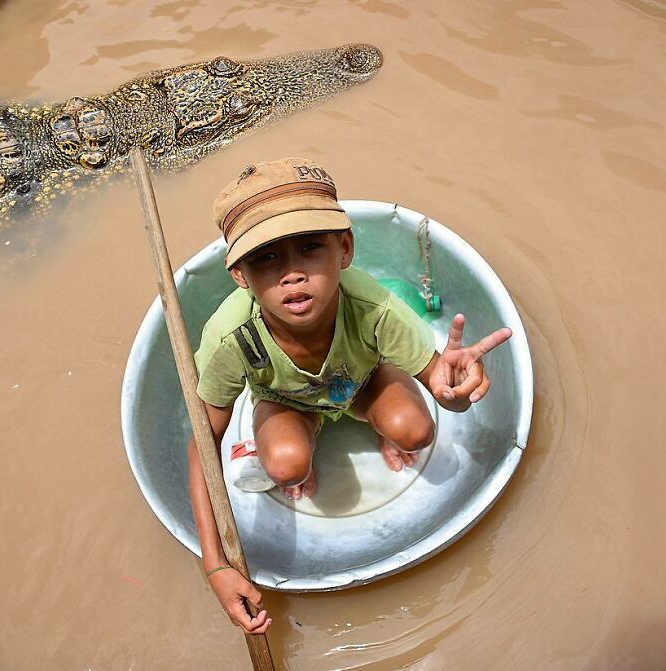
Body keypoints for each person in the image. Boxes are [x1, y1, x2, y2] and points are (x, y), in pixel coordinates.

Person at [187, 157, 512, 635]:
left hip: (361, 383)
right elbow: (203, 442)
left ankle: (373, 422)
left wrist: (457, 394)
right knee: (285, 464)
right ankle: (309, 430)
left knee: (415, 430)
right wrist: (214, 565)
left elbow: (443, 385)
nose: (292, 275)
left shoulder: (373, 306)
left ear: (344, 249)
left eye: (309, 249)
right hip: (287, 400)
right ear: (240, 275)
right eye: (267, 258)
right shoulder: (231, 338)